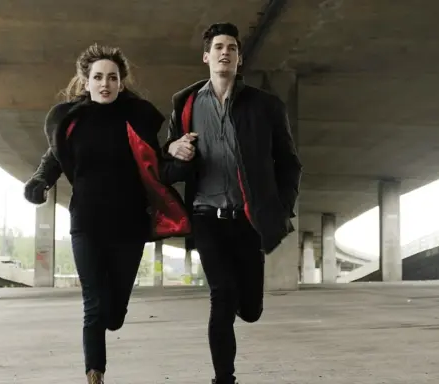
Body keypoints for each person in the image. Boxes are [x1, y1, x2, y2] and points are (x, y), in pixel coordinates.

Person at [22, 44, 192, 384]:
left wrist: (174, 151)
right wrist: (40, 180)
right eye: (97, 77)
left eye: (112, 78)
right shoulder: (71, 122)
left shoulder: (137, 119)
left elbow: (154, 161)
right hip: (86, 223)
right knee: (94, 307)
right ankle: (94, 374)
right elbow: (53, 158)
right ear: (86, 81)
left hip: (128, 226)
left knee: (114, 315)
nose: (105, 83)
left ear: (121, 83)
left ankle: (108, 329)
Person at [163, 22, 302, 384]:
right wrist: (172, 149)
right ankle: (224, 379)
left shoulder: (265, 106)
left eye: (233, 48)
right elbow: (167, 168)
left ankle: (247, 302)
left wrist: (281, 207)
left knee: (251, 309)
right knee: (222, 295)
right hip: (206, 215)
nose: (226, 52)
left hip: (247, 219)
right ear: (207, 56)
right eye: (219, 47)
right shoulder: (186, 104)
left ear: (239, 60)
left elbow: (288, 163)